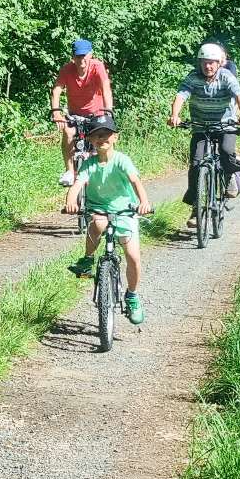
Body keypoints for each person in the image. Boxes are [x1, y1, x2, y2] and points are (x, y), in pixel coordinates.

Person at [64, 116, 153, 324]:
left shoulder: (122, 160)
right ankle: (87, 261)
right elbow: (77, 185)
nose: (101, 138)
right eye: (97, 135)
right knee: (97, 224)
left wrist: (144, 202)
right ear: (91, 139)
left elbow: (135, 182)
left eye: (106, 134)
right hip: (99, 208)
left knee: (133, 256)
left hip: (125, 210)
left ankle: (132, 295)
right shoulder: (89, 163)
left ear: (115, 138)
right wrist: (70, 202)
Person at [168, 43, 240, 229]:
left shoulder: (226, 76)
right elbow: (181, 95)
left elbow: (239, 96)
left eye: (212, 63)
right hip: (200, 125)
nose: (208, 66)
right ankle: (197, 208)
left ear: (219, 63)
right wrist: (175, 115)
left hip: (225, 125)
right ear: (200, 63)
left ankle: (229, 175)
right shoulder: (193, 77)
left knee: (227, 151)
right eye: (205, 62)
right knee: (196, 164)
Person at [51, 39, 114, 187]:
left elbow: (106, 89)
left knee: (102, 140)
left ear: (90, 54)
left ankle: (108, 170)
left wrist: (109, 112)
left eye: (84, 55)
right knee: (68, 132)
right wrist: (56, 113)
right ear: (73, 57)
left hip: (96, 113)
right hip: (75, 114)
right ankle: (69, 171)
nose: (81, 59)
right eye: (78, 56)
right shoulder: (67, 69)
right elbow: (57, 90)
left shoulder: (97, 67)